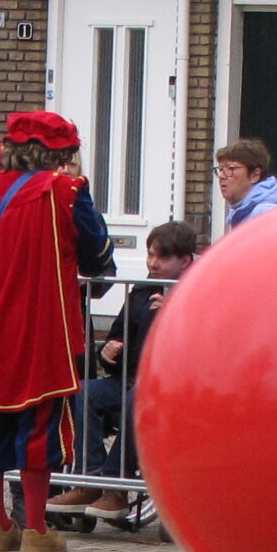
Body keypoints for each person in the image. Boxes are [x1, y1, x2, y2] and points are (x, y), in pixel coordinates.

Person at [0, 110, 110, 552]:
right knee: (39, 422)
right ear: (57, 153)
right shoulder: (65, 192)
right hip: (42, 322)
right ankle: (36, 529)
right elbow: (97, 251)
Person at [58, 220, 197, 518]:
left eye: (162, 257)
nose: (153, 263)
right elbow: (118, 336)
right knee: (84, 392)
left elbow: (205, 347)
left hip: (175, 390)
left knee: (139, 397)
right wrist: (108, 353)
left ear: (185, 260)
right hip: (130, 380)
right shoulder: (141, 291)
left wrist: (179, 311)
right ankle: (88, 479)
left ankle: (115, 487)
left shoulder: (202, 291)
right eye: (150, 255)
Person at [213, 138, 277, 230]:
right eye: (220, 169)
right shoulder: (243, 210)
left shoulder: (265, 213)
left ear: (255, 175)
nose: (221, 176)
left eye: (231, 169)